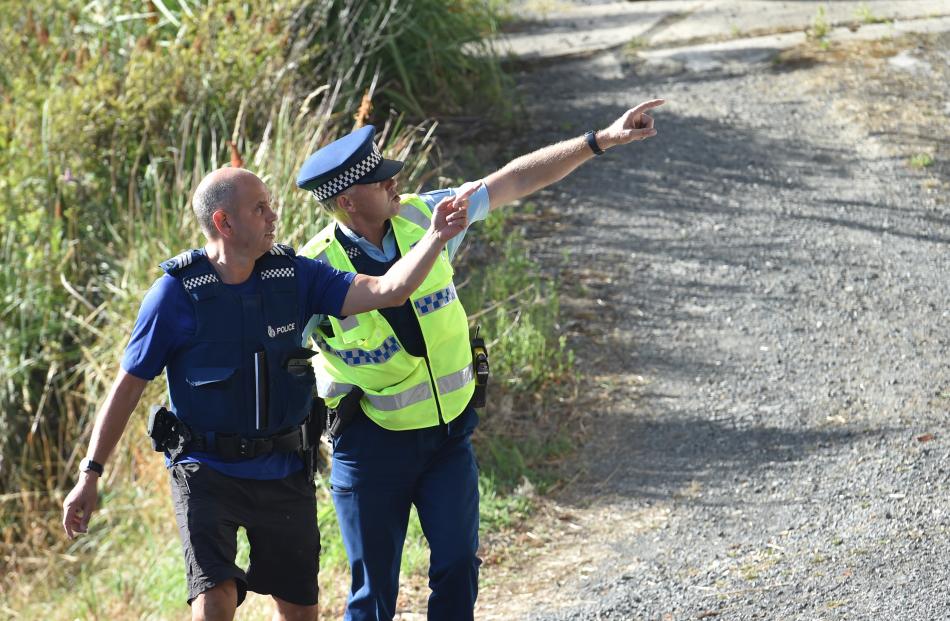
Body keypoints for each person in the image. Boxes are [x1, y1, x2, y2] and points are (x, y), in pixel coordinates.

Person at [294, 99, 664, 621]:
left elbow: (513, 180)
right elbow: (268, 347)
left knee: (458, 569)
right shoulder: (311, 270)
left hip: (447, 437)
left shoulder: (427, 215)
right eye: (382, 182)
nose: (396, 183)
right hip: (372, 445)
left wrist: (600, 138)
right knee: (373, 593)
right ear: (351, 200)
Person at [61, 166, 469, 621]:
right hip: (205, 470)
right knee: (214, 602)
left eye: (270, 204)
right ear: (224, 223)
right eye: (260, 208)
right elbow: (128, 386)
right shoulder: (176, 295)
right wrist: (90, 472)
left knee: (299, 612)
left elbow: (386, 290)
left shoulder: (294, 276)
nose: (274, 216)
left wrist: (434, 238)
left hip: (283, 469)